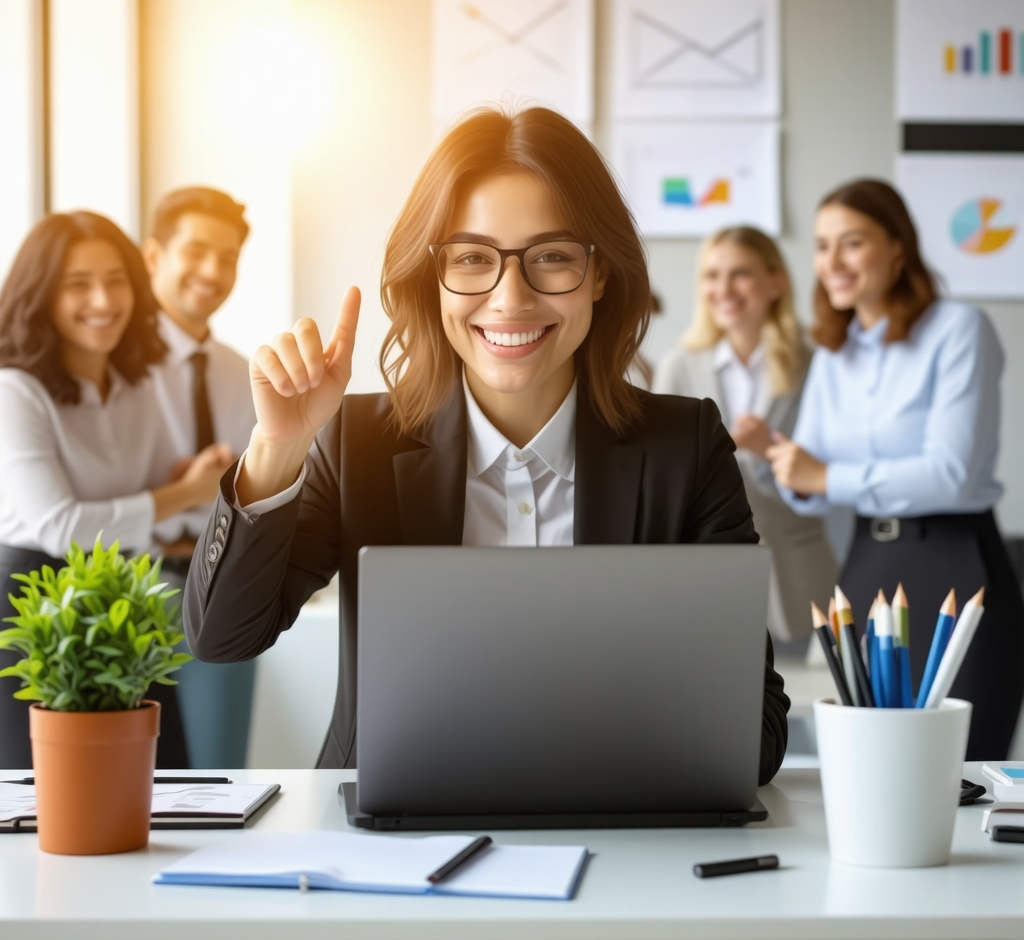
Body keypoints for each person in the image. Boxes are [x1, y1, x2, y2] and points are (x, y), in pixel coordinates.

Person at [183, 106, 790, 784]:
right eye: (472, 259)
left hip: (616, 839)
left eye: (552, 258)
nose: (510, 298)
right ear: (431, 279)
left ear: (598, 275)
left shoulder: (687, 448)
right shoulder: (358, 444)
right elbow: (222, 639)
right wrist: (277, 449)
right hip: (396, 852)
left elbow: (756, 735)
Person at [767, 178, 1024, 759]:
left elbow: (951, 474)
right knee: (871, 763)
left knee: (965, 769)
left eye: (852, 242)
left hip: (956, 563)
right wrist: (788, 468)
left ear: (898, 247)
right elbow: (806, 478)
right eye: (822, 245)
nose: (832, 262)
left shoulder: (959, 330)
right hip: (865, 567)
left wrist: (823, 476)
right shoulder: (836, 351)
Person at [0, 211, 234, 769]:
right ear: (41, 295)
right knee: (43, 799)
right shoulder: (16, 391)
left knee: (159, 781)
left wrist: (189, 480)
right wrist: (186, 492)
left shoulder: (136, 384)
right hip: (32, 609)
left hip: (125, 601)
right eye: (77, 285)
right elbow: (61, 527)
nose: (103, 301)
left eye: (116, 280)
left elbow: (154, 494)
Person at [653, 227, 837, 644]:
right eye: (712, 275)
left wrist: (768, 450)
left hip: (801, 568)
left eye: (740, 274)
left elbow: (830, 474)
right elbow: (663, 477)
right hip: (708, 573)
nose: (723, 289)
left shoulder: (816, 364)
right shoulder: (679, 366)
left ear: (776, 282)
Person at [142, 187, 258, 768]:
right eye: (197, 250)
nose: (213, 271)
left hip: (218, 588)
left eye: (229, 257)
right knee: (138, 779)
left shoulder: (243, 375)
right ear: (154, 256)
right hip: (138, 582)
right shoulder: (114, 363)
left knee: (219, 775)